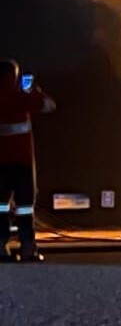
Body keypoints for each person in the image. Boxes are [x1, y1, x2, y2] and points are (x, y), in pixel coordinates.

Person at [0, 60, 55, 262]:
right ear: (13, 77)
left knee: (0, 206)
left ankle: (0, 247)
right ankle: (27, 248)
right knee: (24, 206)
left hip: (0, 164)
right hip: (22, 161)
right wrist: (34, 91)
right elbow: (49, 106)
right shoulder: (20, 97)